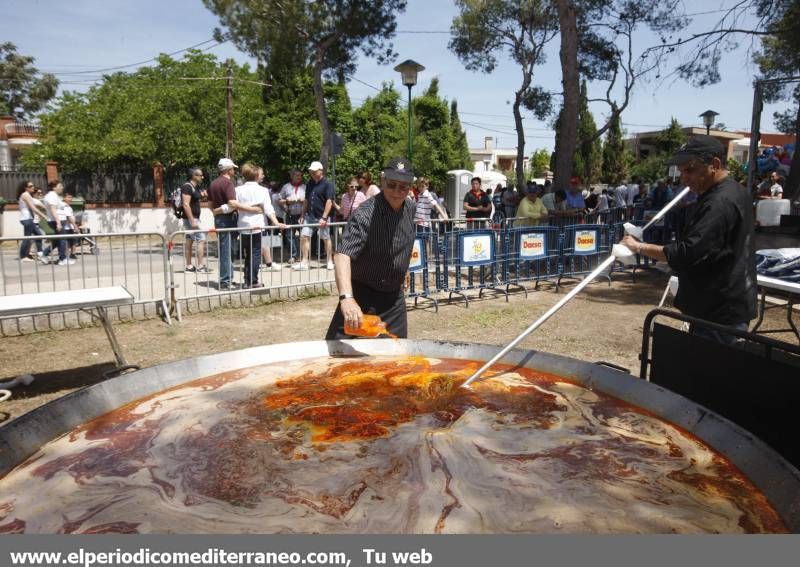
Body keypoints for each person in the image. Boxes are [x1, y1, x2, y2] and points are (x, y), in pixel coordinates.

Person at [621, 135, 757, 345]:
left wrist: (638, 246)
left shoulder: (720, 202)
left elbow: (686, 253)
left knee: (709, 372)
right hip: (717, 307)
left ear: (715, 165)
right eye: (682, 171)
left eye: (690, 170)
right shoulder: (733, 193)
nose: (684, 178)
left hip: (718, 313)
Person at [326, 158, 417, 340]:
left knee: (396, 358)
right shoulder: (365, 213)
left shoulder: (410, 208)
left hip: (393, 299)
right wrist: (347, 298)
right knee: (338, 356)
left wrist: (402, 267)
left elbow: (404, 238)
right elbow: (342, 254)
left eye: (403, 187)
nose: (397, 192)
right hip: (362, 295)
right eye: (391, 185)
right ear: (382, 181)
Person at [208, 157, 259, 289]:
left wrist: (216, 211)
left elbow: (209, 204)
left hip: (220, 219)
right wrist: (252, 209)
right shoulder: (228, 183)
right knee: (227, 250)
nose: (234, 171)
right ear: (228, 169)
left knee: (227, 249)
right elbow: (232, 203)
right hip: (228, 219)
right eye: (233, 169)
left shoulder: (213, 183)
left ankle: (227, 278)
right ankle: (225, 281)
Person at [235, 163, 285, 288]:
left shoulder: (238, 190)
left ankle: (247, 279)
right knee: (255, 254)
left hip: (243, 226)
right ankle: (252, 280)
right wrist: (276, 222)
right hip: (257, 226)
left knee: (248, 254)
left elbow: (235, 206)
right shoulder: (262, 190)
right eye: (261, 174)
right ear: (257, 175)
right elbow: (269, 209)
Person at [296, 161, 335, 271]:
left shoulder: (328, 184)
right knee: (304, 236)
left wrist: (324, 217)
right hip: (310, 216)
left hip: (322, 216)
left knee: (325, 238)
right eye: (311, 171)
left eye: (314, 171)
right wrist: (302, 215)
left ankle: (329, 261)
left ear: (320, 171)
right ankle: (304, 261)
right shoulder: (309, 184)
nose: (312, 172)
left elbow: (329, 201)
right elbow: (306, 200)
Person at [181, 167, 208, 273]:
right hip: (191, 219)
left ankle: (189, 266)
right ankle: (200, 266)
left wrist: (202, 195)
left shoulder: (194, 187)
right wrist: (192, 220)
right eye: (200, 175)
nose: (202, 177)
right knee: (201, 239)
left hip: (192, 218)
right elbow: (186, 204)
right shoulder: (187, 187)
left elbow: (194, 199)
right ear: (194, 176)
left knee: (189, 240)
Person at [41, 180, 74, 266]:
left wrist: (64, 205)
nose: (62, 187)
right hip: (56, 220)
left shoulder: (54, 196)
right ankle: (62, 259)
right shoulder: (51, 196)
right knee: (62, 239)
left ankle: (44, 254)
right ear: (54, 187)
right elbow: (53, 209)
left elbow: (58, 206)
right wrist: (58, 223)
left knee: (57, 240)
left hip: (57, 220)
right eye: (60, 186)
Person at [278, 169, 306, 265]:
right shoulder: (286, 187)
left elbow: (309, 201)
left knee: (303, 235)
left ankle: (303, 255)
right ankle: (293, 255)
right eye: (297, 175)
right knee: (289, 236)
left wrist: (304, 201)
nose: (299, 177)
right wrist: (286, 203)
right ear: (292, 176)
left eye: (300, 175)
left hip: (302, 215)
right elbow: (279, 200)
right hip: (290, 215)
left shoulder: (305, 187)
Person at [16, 180, 48, 262]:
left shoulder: (28, 195)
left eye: (33, 186)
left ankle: (40, 254)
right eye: (30, 186)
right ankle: (23, 256)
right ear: (25, 188)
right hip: (27, 219)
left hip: (29, 219)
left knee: (38, 235)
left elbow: (37, 204)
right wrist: (43, 215)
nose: (33, 187)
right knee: (28, 238)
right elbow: (33, 208)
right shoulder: (25, 195)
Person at [60, 193, 79, 259]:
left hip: (71, 226)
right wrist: (75, 226)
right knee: (67, 243)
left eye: (71, 197)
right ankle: (66, 255)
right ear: (64, 198)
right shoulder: (64, 206)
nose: (70, 199)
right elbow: (68, 217)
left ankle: (73, 254)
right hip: (66, 227)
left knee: (73, 241)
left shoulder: (69, 207)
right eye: (68, 197)